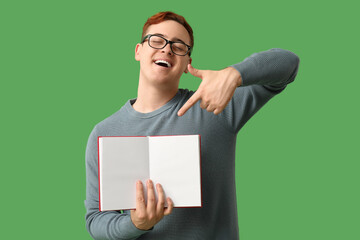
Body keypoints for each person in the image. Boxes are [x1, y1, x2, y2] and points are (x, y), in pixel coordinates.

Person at [85, 11, 300, 240]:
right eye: (156, 40)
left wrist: (235, 74)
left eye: (178, 46)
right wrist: (136, 223)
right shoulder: (105, 132)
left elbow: (289, 64)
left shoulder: (215, 106)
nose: (166, 49)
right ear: (138, 51)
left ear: (188, 62)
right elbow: (96, 219)